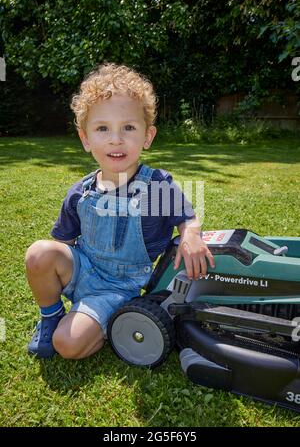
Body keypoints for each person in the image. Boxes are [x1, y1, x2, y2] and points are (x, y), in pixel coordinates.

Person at [25, 63, 215, 360]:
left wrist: (191, 234)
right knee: (39, 253)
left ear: (147, 136)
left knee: (68, 345)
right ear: (86, 139)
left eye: (128, 127)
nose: (116, 139)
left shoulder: (154, 188)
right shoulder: (82, 191)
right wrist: (59, 272)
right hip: (84, 269)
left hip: (118, 288)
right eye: (103, 129)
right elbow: (63, 245)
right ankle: (50, 318)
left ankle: (107, 319)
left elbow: (187, 217)